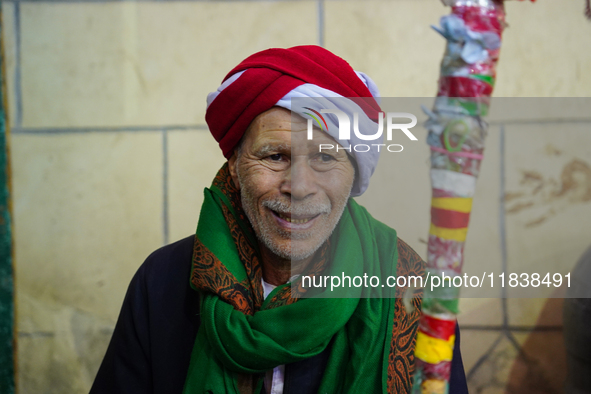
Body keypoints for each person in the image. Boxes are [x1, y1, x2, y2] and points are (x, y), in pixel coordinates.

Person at [91, 45, 468, 394]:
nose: (299, 187)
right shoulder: (163, 282)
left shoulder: (415, 295)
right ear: (236, 168)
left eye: (324, 158)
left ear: (353, 173)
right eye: (274, 156)